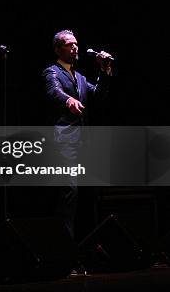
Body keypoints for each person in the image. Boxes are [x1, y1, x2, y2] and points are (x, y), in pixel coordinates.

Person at [42, 29, 112, 238]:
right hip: (64, 142)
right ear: (58, 49)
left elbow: (99, 95)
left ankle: (88, 246)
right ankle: (65, 248)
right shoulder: (52, 71)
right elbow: (53, 90)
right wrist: (68, 100)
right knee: (68, 194)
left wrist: (104, 70)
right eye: (69, 44)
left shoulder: (80, 77)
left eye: (76, 44)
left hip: (82, 142)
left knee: (88, 195)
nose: (74, 47)